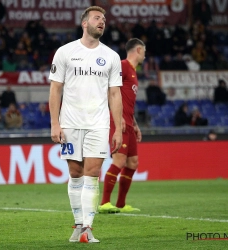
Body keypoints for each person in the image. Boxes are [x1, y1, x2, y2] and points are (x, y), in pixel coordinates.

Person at [48, 6, 123, 244]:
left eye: (104, 19)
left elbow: (114, 94)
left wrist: (118, 128)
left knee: (92, 174)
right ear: (84, 23)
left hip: (98, 124)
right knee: (75, 173)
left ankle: (88, 229)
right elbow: (55, 89)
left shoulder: (111, 56)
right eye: (97, 18)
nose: (102, 22)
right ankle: (78, 223)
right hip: (70, 124)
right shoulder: (65, 52)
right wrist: (54, 123)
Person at [98, 38, 145, 214]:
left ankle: (121, 204)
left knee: (133, 162)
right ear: (139, 50)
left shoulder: (133, 72)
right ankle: (104, 203)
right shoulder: (123, 65)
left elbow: (127, 101)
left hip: (129, 121)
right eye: (144, 52)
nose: (144, 56)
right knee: (119, 160)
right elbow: (108, 90)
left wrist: (135, 123)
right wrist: (118, 118)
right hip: (119, 121)